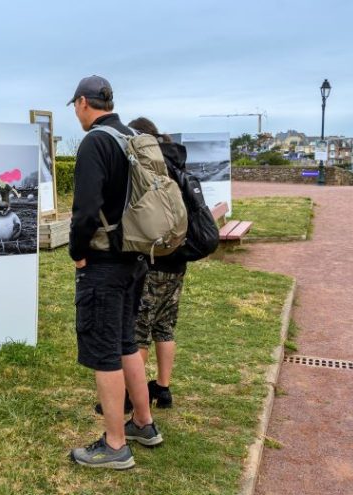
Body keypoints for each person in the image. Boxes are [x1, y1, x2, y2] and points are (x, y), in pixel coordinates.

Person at [67, 76, 163, 470]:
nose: (75, 111)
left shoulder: (95, 142)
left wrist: (77, 252)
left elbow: (85, 210)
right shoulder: (131, 137)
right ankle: (143, 422)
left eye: (74, 104)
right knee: (125, 341)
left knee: (105, 350)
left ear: (84, 102)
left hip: (104, 262)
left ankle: (114, 444)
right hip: (136, 257)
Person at [127, 117, 187, 409]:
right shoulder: (176, 162)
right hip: (177, 257)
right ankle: (163, 389)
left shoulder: (146, 166)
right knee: (165, 326)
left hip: (151, 258)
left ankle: (131, 397)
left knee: (139, 332)